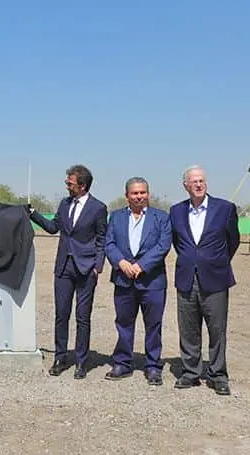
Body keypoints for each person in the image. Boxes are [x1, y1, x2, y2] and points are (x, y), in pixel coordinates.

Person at [29, 164, 108, 379]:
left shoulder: (98, 208)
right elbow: (53, 228)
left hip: (86, 269)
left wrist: (98, 265)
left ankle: (82, 362)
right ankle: (60, 358)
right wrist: (33, 214)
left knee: (83, 317)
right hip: (63, 267)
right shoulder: (64, 204)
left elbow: (102, 238)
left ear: (82, 185)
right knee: (61, 315)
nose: (67, 185)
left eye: (70, 183)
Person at [168, 165, 240, 395]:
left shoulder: (225, 209)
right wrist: (192, 259)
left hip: (216, 278)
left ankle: (218, 374)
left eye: (202, 180)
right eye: (194, 181)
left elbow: (233, 241)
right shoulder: (176, 211)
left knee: (217, 329)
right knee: (188, 328)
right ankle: (190, 371)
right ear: (185, 186)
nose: (199, 184)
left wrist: (214, 261)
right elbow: (177, 242)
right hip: (187, 277)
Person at [103, 176, 172, 385]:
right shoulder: (115, 217)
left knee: (153, 325)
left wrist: (141, 265)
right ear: (127, 196)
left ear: (148, 194)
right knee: (124, 323)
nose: (139, 196)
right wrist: (121, 262)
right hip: (124, 280)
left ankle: (152, 366)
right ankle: (123, 363)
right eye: (135, 193)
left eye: (142, 192)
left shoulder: (161, 217)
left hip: (152, 281)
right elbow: (109, 243)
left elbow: (163, 245)